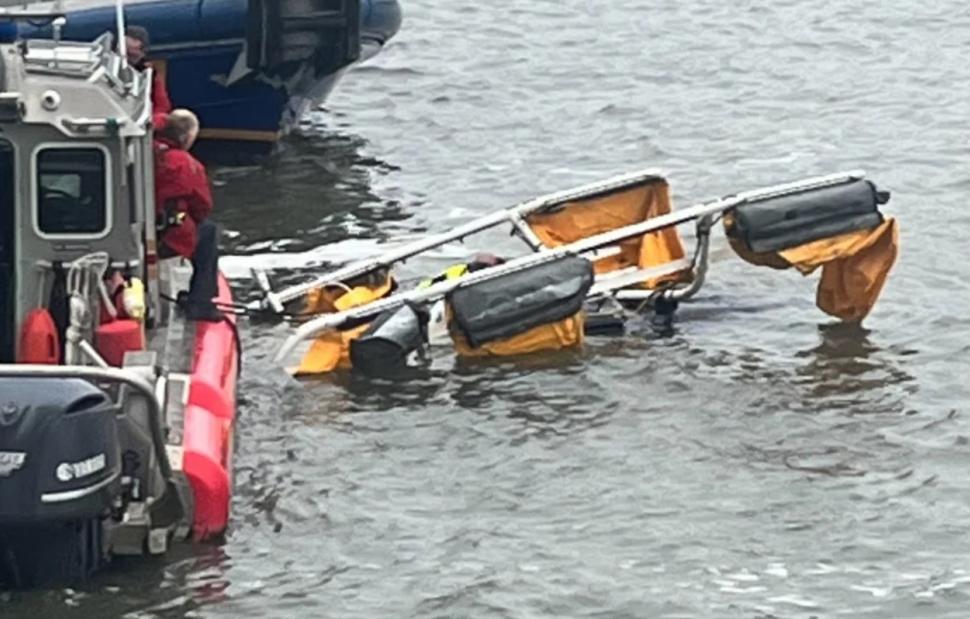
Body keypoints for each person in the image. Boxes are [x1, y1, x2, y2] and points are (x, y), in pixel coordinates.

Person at [154, 109, 222, 321]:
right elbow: (202, 206)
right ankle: (201, 302)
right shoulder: (185, 164)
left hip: (135, 229)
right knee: (208, 232)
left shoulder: (148, 150)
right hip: (164, 235)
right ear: (186, 137)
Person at [123, 25, 172, 127]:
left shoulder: (149, 75)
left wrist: (150, 123)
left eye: (138, 50)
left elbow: (162, 108)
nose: (132, 56)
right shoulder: (107, 69)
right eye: (127, 52)